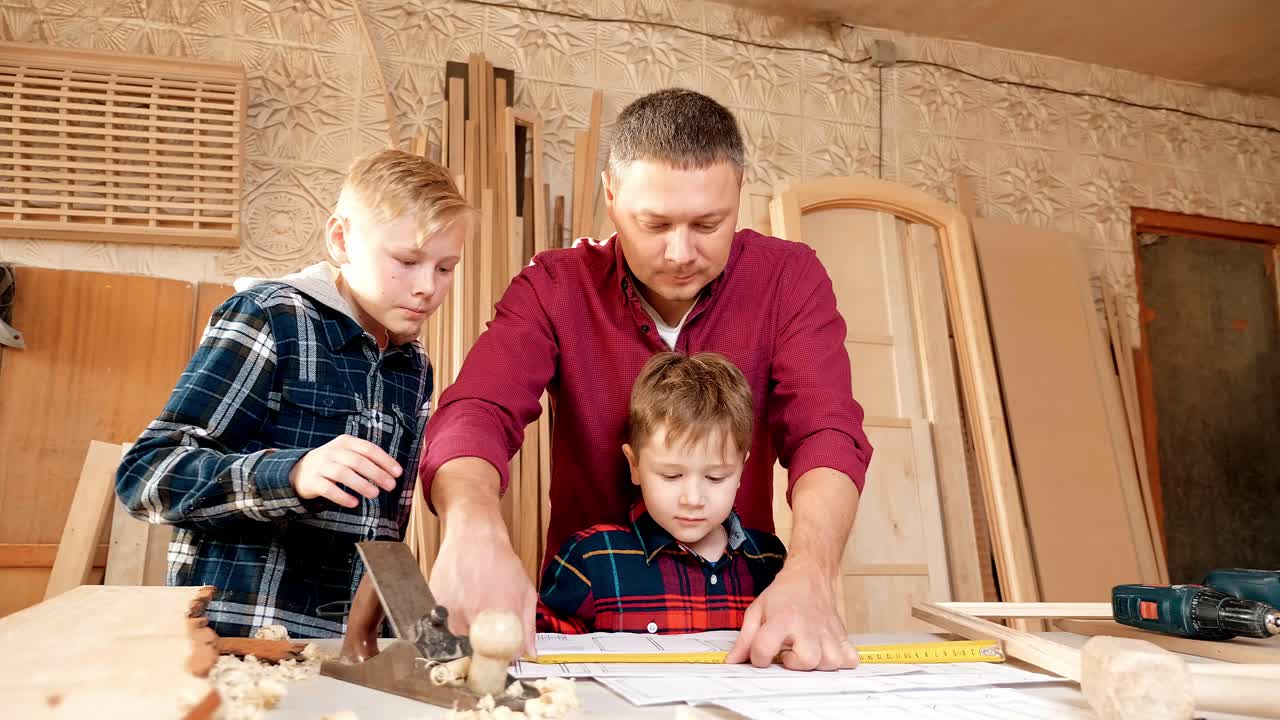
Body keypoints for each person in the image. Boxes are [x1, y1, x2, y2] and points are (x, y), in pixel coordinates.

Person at [349, 87, 873, 670]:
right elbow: (477, 409)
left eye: (708, 223)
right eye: (654, 224)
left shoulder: (788, 278)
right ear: (611, 196)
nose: (680, 252)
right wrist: (473, 524)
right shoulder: (555, 286)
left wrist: (810, 570)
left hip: (736, 620)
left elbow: (827, 432)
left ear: (739, 196)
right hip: (590, 622)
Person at [116, 149, 468, 638]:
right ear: (341, 240)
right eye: (407, 261)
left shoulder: (413, 367)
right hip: (239, 644)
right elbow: (146, 477)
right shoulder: (269, 318)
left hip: (342, 655)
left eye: (445, 268)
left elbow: (379, 541)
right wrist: (293, 473)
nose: (427, 287)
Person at [537, 351, 787, 634]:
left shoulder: (770, 561)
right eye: (671, 475)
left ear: (741, 470)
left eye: (716, 477)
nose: (693, 499)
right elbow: (544, 658)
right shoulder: (591, 559)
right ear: (635, 466)